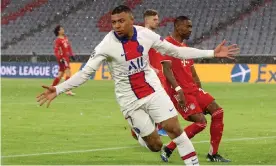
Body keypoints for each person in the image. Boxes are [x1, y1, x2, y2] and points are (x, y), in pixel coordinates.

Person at [37, 5, 239, 165]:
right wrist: (59, 89)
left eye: (121, 21)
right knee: (155, 145)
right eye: (114, 22)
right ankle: (141, 134)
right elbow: (85, 73)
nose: (116, 25)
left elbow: (176, 51)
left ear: (132, 20)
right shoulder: (106, 45)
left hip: (152, 90)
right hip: (129, 99)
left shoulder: (145, 34)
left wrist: (211, 53)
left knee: (175, 130)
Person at [160, 16, 231, 162]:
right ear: (178, 27)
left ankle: (213, 154)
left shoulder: (186, 49)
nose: (190, 30)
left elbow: (192, 72)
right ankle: (169, 148)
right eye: (188, 26)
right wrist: (178, 89)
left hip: (193, 90)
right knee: (201, 122)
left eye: (191, 27)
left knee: (218, 112)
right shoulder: (166, 44)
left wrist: (200, 92)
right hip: (179, 92)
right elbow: (167, 71)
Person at [52, 25, 75, 96]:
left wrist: (71, 55)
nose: (63, 30)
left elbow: (69, 47)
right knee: (68, 73)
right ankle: (67, 90)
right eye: (61, 29)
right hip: (63, 59)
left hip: (66, 58)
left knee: (60, 74)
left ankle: (52, 88)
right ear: (58, 31)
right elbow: (56, 51)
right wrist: (60, 58)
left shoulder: (65, 38)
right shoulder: (58, 40)